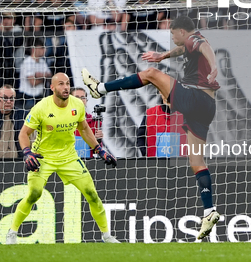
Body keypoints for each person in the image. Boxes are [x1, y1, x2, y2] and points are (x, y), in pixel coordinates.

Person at [82, 15, 221, 240]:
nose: (171, 36)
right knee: (196, 162)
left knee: (151, 74)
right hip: (207, 108)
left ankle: (100, 88)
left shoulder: (195, 38)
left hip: (196, 97)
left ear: (182, 31)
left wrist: (214, 67)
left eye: (173, 33)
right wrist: (163, 55)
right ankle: (209, 210)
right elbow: (184, 50)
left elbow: (204, 46)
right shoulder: (188, 45)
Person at [6, 73, 119, 244]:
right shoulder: (41, 107)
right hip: (43, 157)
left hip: (69, 157)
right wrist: (27, 152)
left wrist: (99, 149)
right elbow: (24, 133)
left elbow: (85, 129)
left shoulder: (77, 105)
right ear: (52, 88)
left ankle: (107, 236)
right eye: (61, 84)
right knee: (34, 194)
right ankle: (12, 233)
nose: (65, 87)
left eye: (67, 84)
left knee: (92, 194)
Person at [18, 38, 52, 110]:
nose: (44, 50)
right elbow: (33, 82)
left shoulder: (42, 62)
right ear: (34, 49)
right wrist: (44, 77)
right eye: (42, 48)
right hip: (28, 97)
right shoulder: (27, 62)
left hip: (39, 96)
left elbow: (50, 76)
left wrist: (38, 75)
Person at [71, 87, 104, 158]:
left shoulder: (94, 123)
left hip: (87, 162)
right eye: (76, 97)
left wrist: (98, 140)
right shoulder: (62, 120)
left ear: (86, 100)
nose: (80, 100)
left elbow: (96, 151)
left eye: (83, 97)